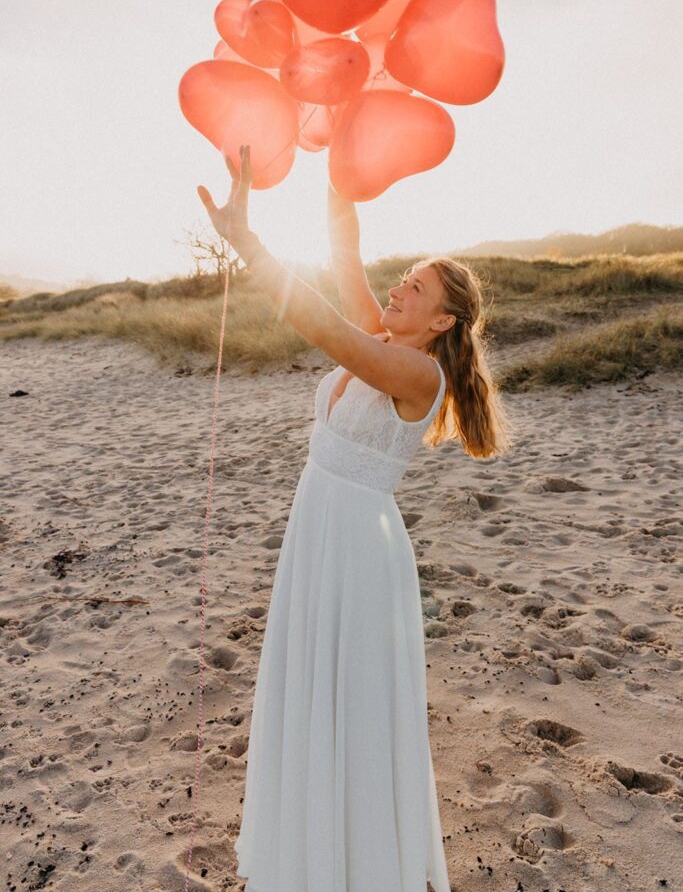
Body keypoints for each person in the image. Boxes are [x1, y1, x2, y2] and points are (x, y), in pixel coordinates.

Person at [197, 145, 513, 892]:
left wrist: (246, 242)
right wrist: (338, 151)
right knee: (314, 691)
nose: (398, 290)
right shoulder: (386, 336)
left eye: (416, 288)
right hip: (320, 533)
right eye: (402, 281)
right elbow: (344, 249)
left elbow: (320, 324)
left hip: (357, 549)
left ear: (442, 320)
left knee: (351, 707)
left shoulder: (414, 370)